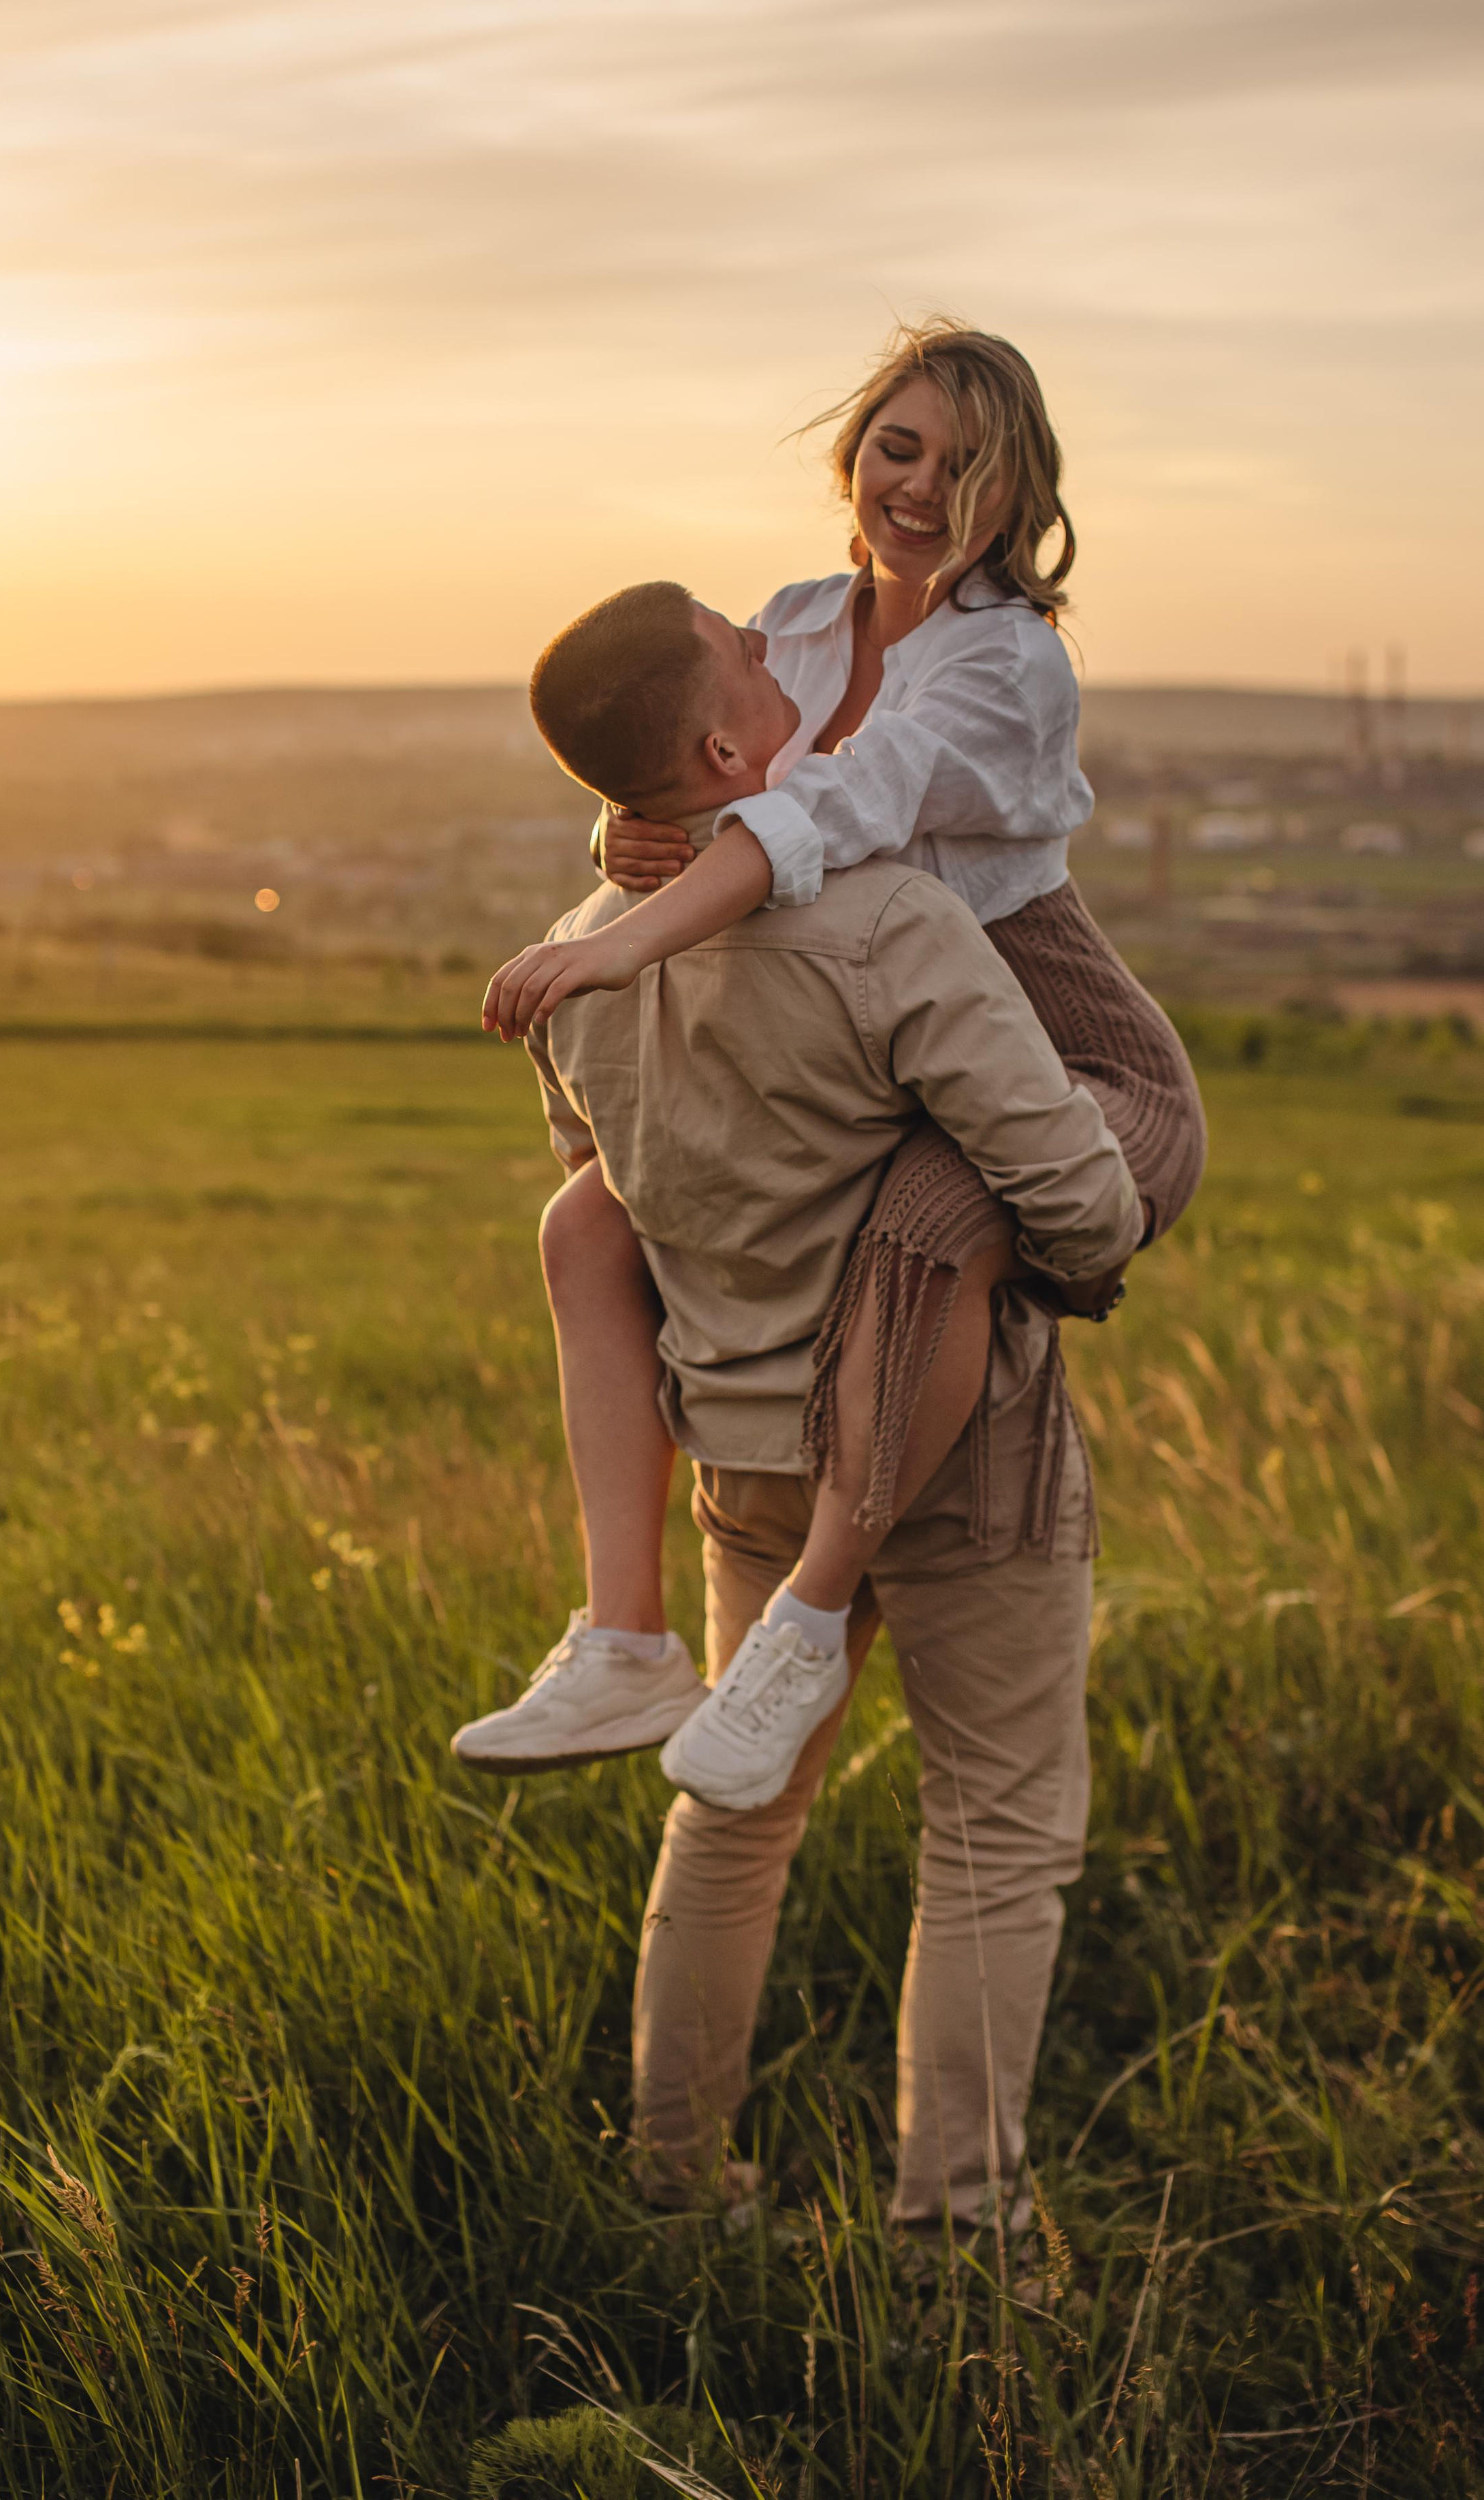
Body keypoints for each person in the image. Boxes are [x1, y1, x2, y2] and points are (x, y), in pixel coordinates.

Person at [453, 577, 1143, 2225]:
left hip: (743, 1456)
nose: (782, 655)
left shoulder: (576, 958)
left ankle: (674, 2184)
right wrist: (1039, 1237)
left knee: (734, 1815)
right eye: (747, 652)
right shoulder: (891, 922)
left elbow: (609, 1195)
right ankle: (956, 2234)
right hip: (962, 1457)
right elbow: (1082, 1202)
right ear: (720, 747)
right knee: (991, 1835)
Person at [457, 321, 1204, 1810]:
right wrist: (619, 836)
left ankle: (809, 1614)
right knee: (584, 1221)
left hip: (1063, 1046)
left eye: (964, 466)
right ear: (852, 454)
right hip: (886, 1046)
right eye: (897, 447)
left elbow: (829, 812)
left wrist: (616, 943)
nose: (919, 488)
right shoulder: (793, 622)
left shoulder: (1005, 661)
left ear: (1019, 493)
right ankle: (622, 1637)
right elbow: (690, 759)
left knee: (934, 1217)